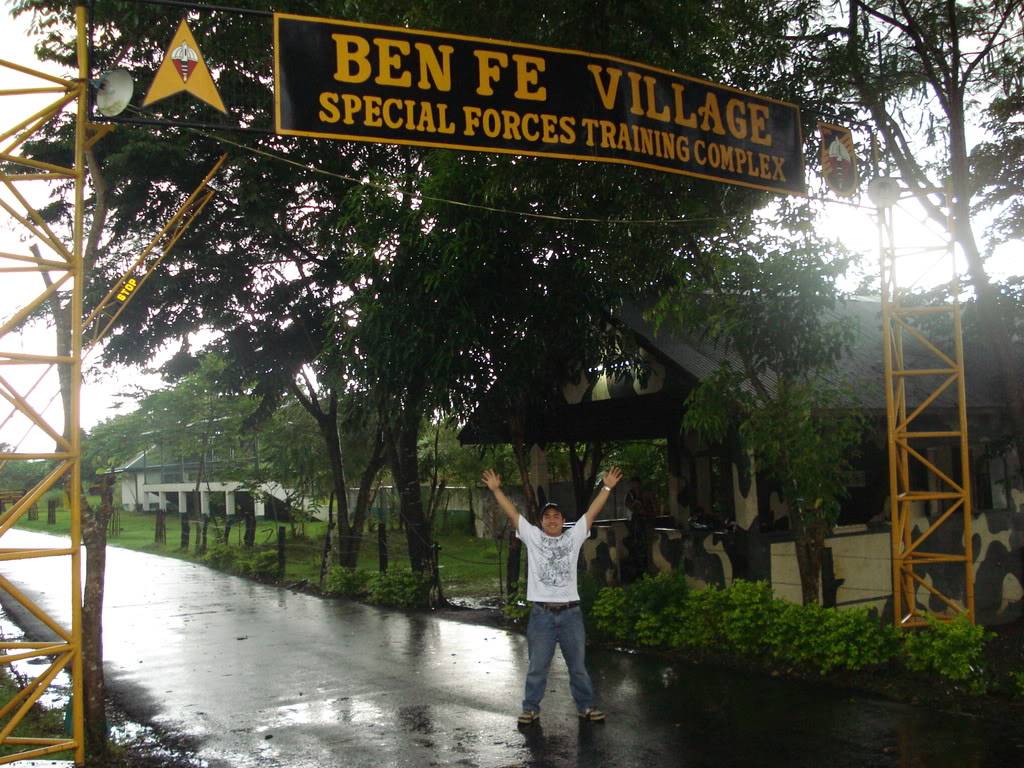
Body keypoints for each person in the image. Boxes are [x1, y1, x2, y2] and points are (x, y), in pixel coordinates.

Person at [482, 466, 623, 726]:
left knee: (578, 667)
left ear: (563, 520)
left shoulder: (573, 537)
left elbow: (591, 513)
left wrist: (607, 487)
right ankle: (530, 708)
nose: (551, 520)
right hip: (541, 615)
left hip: (571, 614)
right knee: (537, 667)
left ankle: (586, 706)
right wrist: (496, 490)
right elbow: (513, 514)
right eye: (546, 516)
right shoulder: (533, 537)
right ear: (541, 522)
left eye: (556, 516)